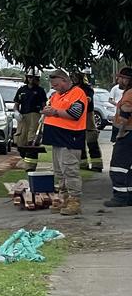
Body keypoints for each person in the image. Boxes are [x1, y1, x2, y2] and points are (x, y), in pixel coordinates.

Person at [41, 69, 90, 215]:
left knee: (70, 170)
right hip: (57, 139)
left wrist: (54, 112)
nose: (54, 87)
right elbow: (54, 109)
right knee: (59, 171)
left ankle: (74, 201)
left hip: (70, 138)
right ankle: (64, 198)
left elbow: (75, 114)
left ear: (64, 80)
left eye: (56, 84)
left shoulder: (77, 93)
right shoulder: (57, 95)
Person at [104, 67, 132, 207]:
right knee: (129, 168)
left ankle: (120, 197)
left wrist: (121, 133)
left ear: (127, 79)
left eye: (120, 77)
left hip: (127, 134)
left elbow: (125, 113)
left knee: (118, 167)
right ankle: (129, 196)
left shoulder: (129, 94)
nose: (118, 80)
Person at [13, 74, 47, 170]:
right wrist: (16, 112)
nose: (31, 79)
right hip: (23, 117)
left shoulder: (40, 91)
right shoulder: (22, 90)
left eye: (33, 78)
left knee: (32, 141)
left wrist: (43, 115)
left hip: (35, 116)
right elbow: (16, 104)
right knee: (20, 140)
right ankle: (25, 160)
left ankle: (30, 166)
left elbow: (44, 105)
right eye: (29, 77)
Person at [75, 72, 104, 172]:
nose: (74, 79)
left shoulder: (87, 88)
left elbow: (88, 99)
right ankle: (82, 164)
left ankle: (97, 165)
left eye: (76, 77)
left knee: (91, 140)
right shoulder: (72, 89)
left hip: (87, 115)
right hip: (77, 116)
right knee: (79, 141)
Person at [110, 78, 125, 144]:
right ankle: (115, 141)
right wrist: (117, 104)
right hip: (116, 111)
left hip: (125, 110)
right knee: (116, 126)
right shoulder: (115, 88)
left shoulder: (128, 89)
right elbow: (110, 100)